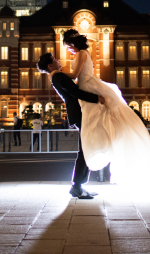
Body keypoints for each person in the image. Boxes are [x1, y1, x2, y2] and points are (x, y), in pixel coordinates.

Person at [60, 28, 150, 199]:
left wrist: (56, 73)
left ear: (74, 43)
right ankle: (90, 164)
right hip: (88, 88)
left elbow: (74, 75)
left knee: (92, 127)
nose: (69, 50)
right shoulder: (85, 53)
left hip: (88, 90)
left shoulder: (81, 54)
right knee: (95, 126)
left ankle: (89, 166)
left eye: (68, 47)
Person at [37, 52, 104, 199]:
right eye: (55, 60)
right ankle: (77, 186)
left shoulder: (56, 76)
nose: (58, 60)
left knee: (85, 148)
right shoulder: (57, 77)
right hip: (79, 113)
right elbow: (75, 92)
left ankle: (78, 185)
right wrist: (96, 98)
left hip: (78, 113)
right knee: (84, 149)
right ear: (50, 66)